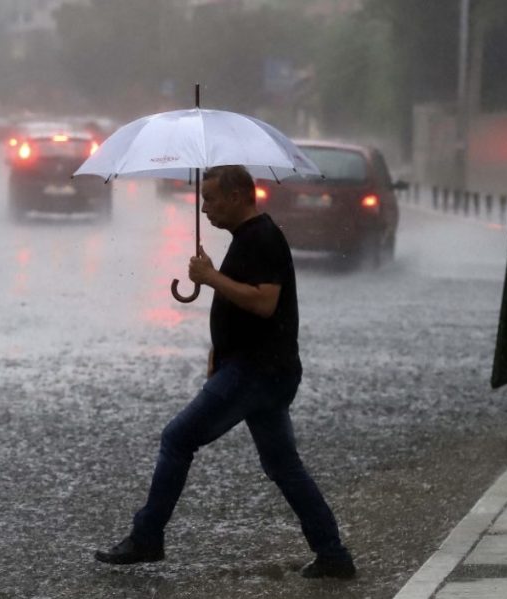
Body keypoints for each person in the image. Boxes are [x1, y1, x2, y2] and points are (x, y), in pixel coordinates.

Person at [94, 165, 356, 579]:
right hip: (261, 369)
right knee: (283, 464)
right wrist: (220, 348)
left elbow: (264, 303)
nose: (204, 208)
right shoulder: (247, 238)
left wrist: (212, 277)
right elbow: (244, 306)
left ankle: (146, 537)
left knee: (177, 438)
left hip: (255, 371)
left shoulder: (262, 238)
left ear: (236, 196)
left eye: (211, 199)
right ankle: (333, 554)